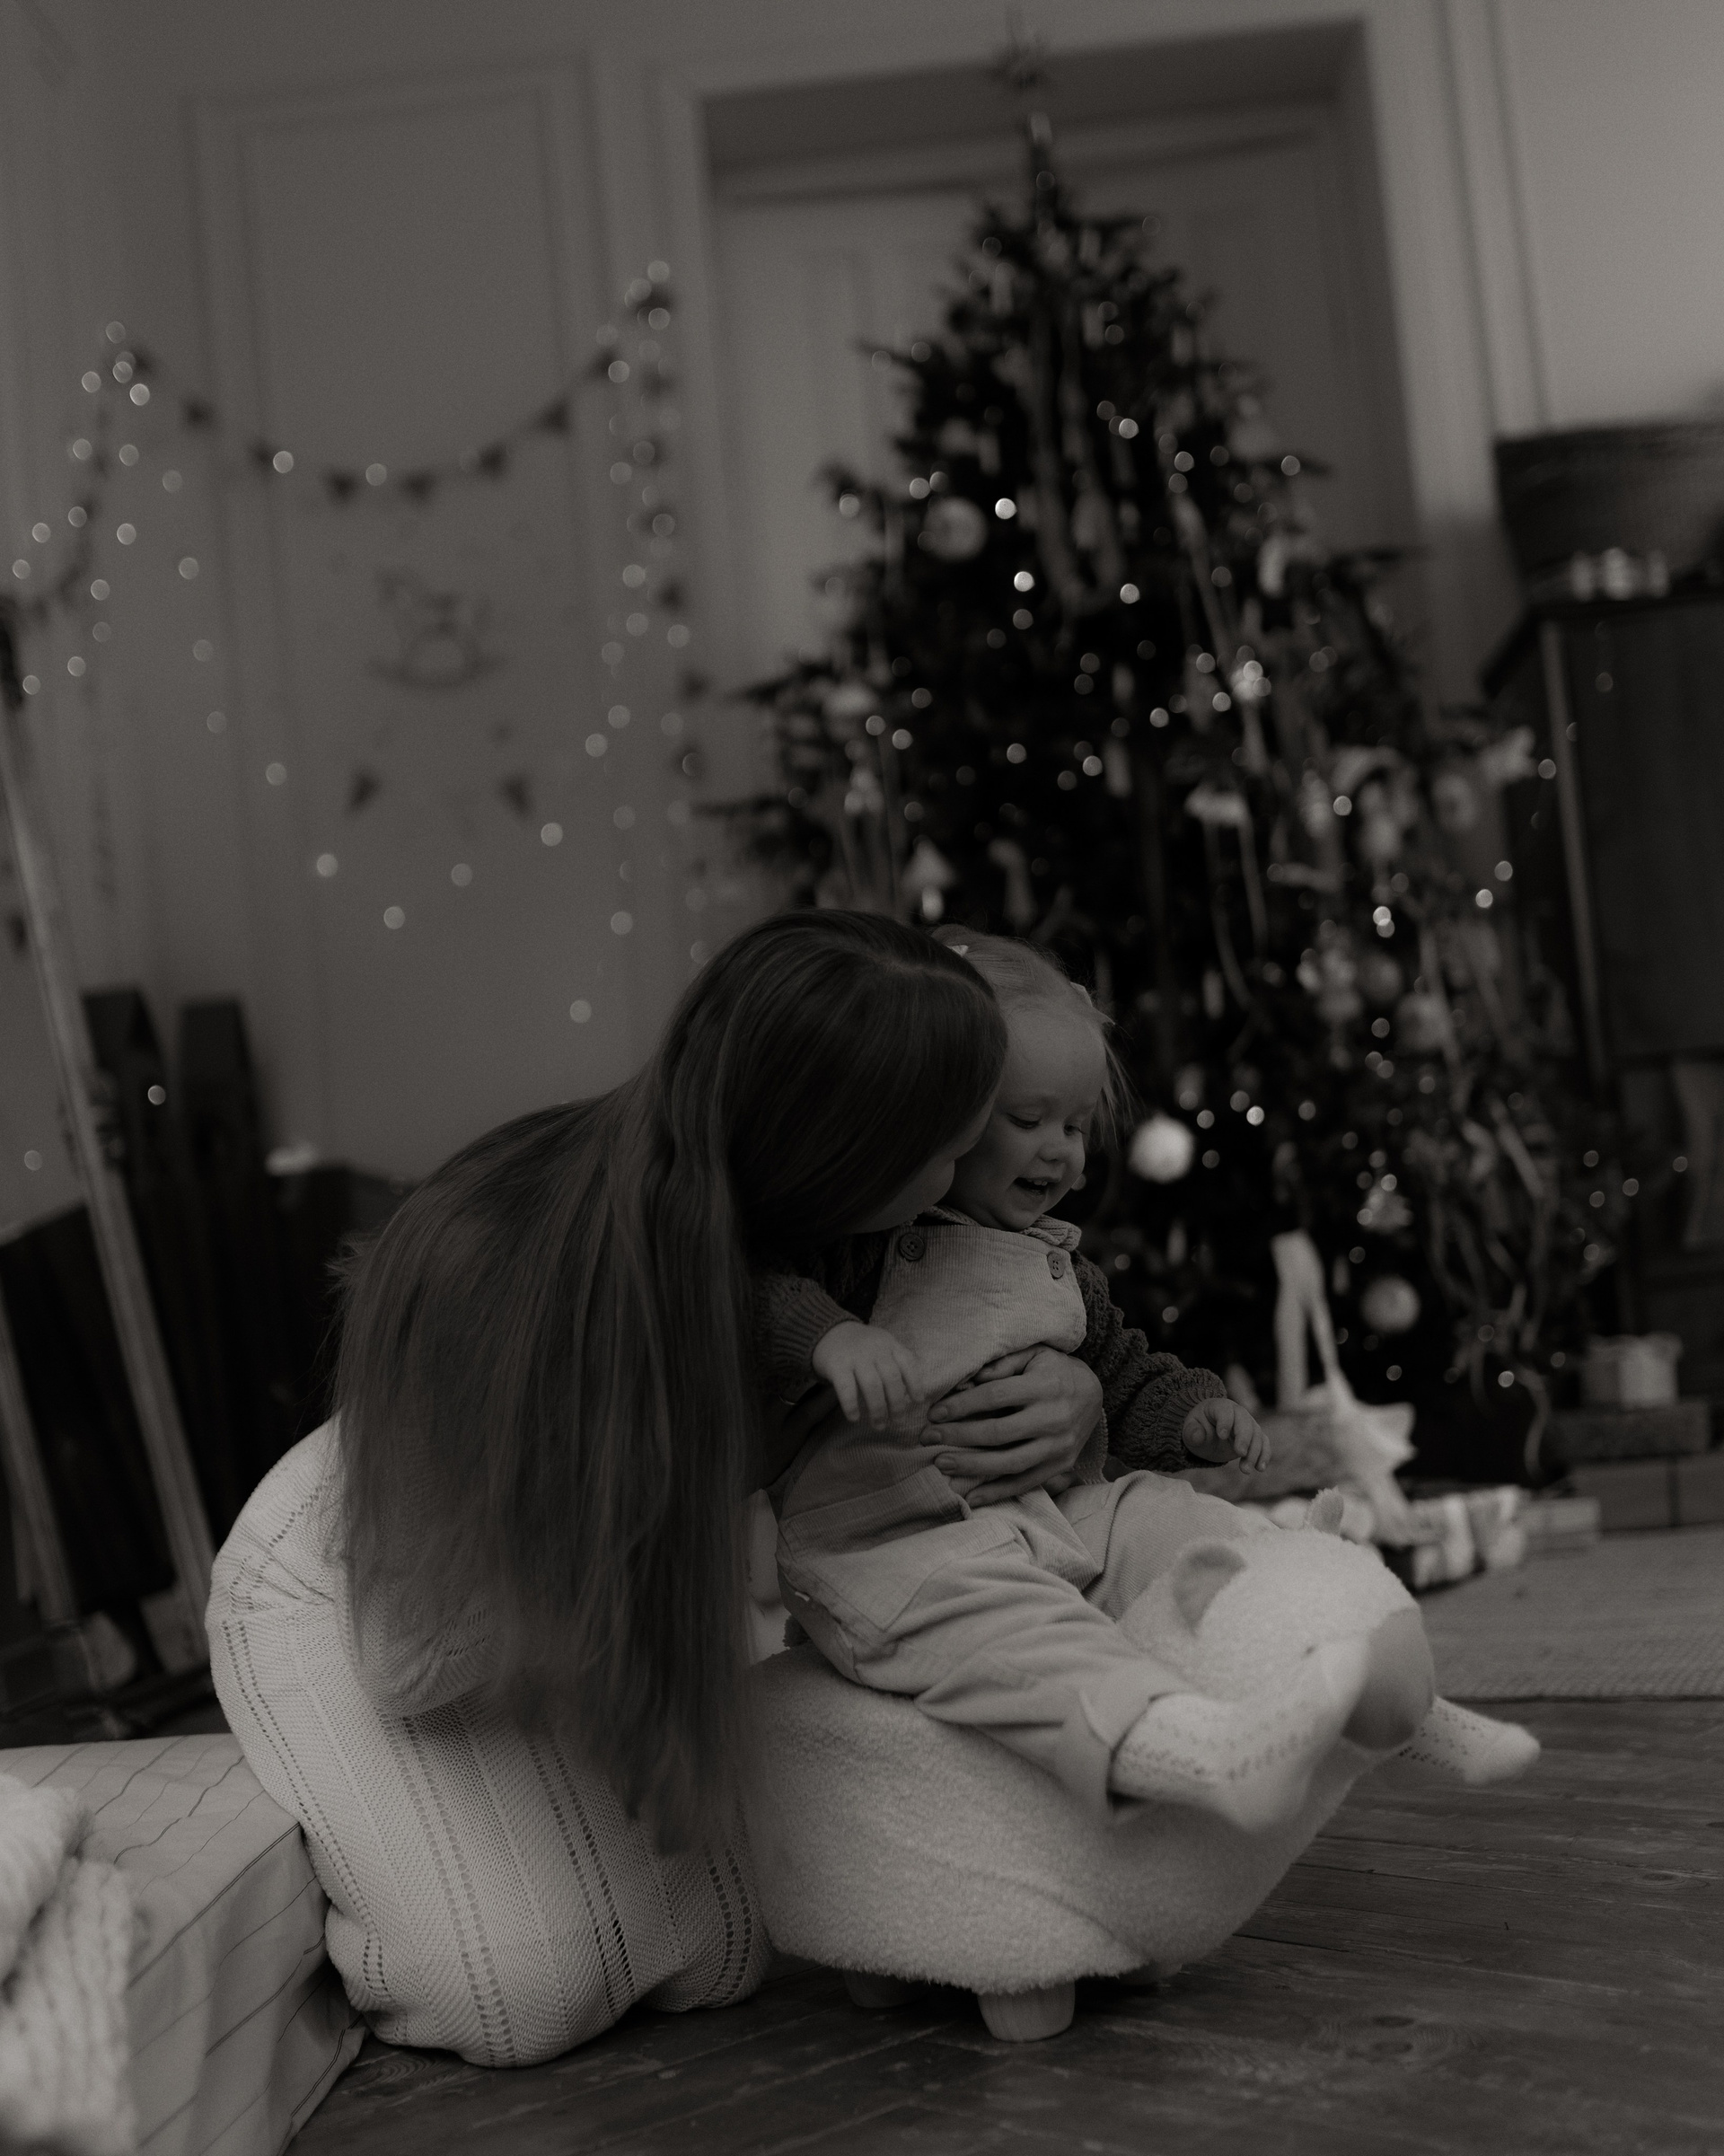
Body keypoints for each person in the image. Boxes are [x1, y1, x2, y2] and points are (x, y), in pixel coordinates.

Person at [207, 911, 1106, 2065]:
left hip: (586, 1600)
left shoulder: (841, 1238)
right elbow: (414, 1652)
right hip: (384, 1597)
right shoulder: (523, 1254)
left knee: (726, 1948)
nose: (967, 1179)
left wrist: (1072, 1395)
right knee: (517, 1992)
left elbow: (1014, 1318)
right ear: (839, 1148)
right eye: (948, 1148)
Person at [757, 928, 1369, 1827]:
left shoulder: (1061, 1269)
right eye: (1030, 1120)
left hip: (1045, 1517)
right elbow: (760, 1290)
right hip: (895, 1542)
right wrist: (831, 1336)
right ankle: (1153, 1738)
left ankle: (1299, 1615)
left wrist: (1194, 1413)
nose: (1063, 1153)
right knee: (1012, 1632)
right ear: (943, 1114)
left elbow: (1125, 1370)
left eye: (1077, 1127)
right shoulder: (871, 1241)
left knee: (1168, 1519)